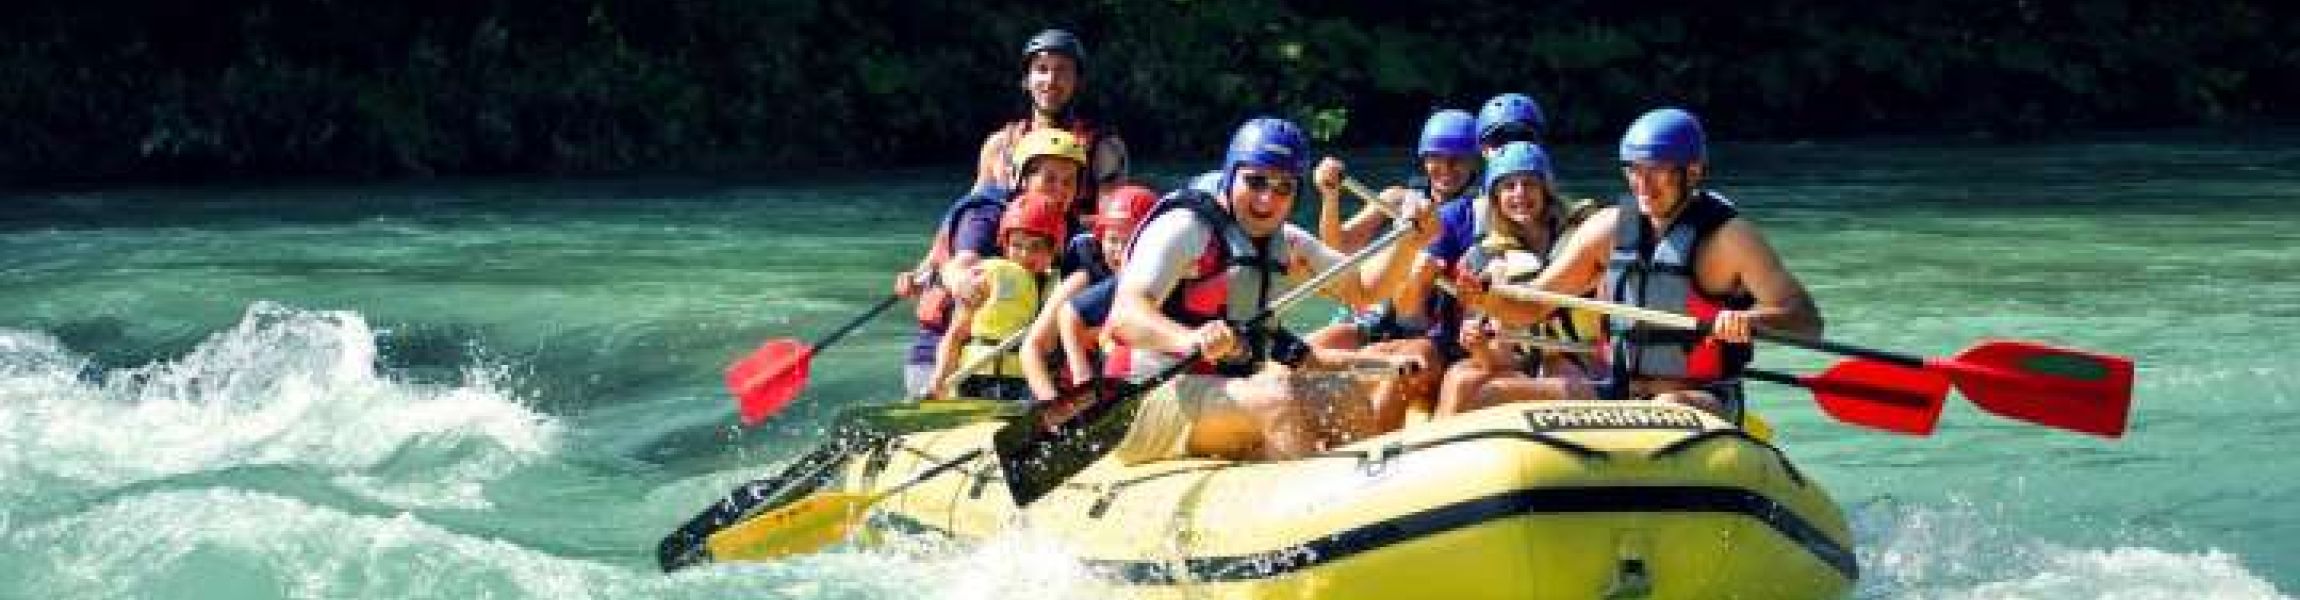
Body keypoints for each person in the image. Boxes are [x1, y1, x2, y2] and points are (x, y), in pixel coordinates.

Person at [1100, 117, 1441, 464]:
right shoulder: (1186, 227)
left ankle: (1357, 491)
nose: (1267, 198)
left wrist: (1409, 243)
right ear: (1231, 175)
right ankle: (1302, 490)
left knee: (1345, 398)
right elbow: (1124, 317)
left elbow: (1363, 289)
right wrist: (1190, 338)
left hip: (1227, 393)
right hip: (1146, 399)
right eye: (1255, 181)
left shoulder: (1287, 243)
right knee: (1276, 399)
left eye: (1283, 187)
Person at [1458, 108, 1823, 420]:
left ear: (1693, 172)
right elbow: (1533, 305)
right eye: (1633, 170)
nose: (1642, 184)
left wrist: (1749, 320)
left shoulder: (1729, 238)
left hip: (1702, 397)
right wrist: (1485, 299)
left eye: (1656, 170)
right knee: (1486, 395)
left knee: (1667, 407)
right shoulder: (1609, 228)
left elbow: (1807, 320)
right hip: (1619, 391)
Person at [897, 129, 1089, 399]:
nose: (1060, 190)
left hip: (1019, 367)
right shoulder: (986, 215)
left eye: (1069, 182)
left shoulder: (1074, 233)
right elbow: (961, 266)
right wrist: (962, 282)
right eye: (1049, 179)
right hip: (943, 356)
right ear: (1022, 179)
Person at [1435, 142, 1604, 415]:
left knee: (1496, 392)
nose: (1520, 193)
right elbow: (1499, 359)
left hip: (1582, 364)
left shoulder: (1582, 241)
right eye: (1509, 186)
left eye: (1529, 184)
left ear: (1546, 190)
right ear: (1495, 198)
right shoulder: (1487, 260)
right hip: (1525, 363)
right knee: (1459, 378)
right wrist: (1480, 346)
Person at [1019, 184, 1160, 404]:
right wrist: (1054, 404)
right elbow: (1032, 347)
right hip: (1062, 396)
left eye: (1131, 241)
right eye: (1112, 240)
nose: (1120, 251)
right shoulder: (1082, 281)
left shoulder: (1164, 281)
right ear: (1100, 239)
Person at [929, 190, 1069, 402]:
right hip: (973, 378)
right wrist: (940, 376)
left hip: (1024, 384)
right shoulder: (987, 278)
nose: (1024, 255)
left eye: (1036, 247)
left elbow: (1051, 347)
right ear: (1005, 246)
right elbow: (955, 335)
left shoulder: (1059, 288)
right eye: (1017, 245)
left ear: (1053, 251)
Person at [972, 28, 1128, 212]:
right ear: (1026, 80)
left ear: (1078, 82)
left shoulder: (1104, 147)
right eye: (1042, 69)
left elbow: (1112, 221)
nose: (1051, 80)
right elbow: (974, 211)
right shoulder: (999, 146)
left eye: (1062, 71)